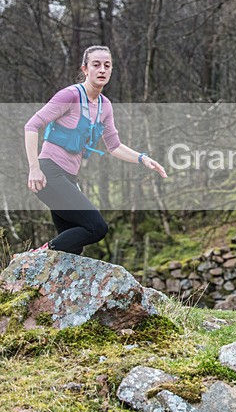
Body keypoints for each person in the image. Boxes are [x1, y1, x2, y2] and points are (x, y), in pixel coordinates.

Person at [23, 45, 167, 256]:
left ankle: (46, 277)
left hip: (69, 178)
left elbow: (114, 146)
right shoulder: (70, 95)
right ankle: (38, 256)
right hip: (48, 173)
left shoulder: (105, 106)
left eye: (107, 66)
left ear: (111, 70)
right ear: (85, 69)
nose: (102, 70)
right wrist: (34, 168)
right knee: (97, 227)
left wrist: (143, 159)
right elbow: (31, 125)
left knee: (74, 247)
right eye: (96, 65)